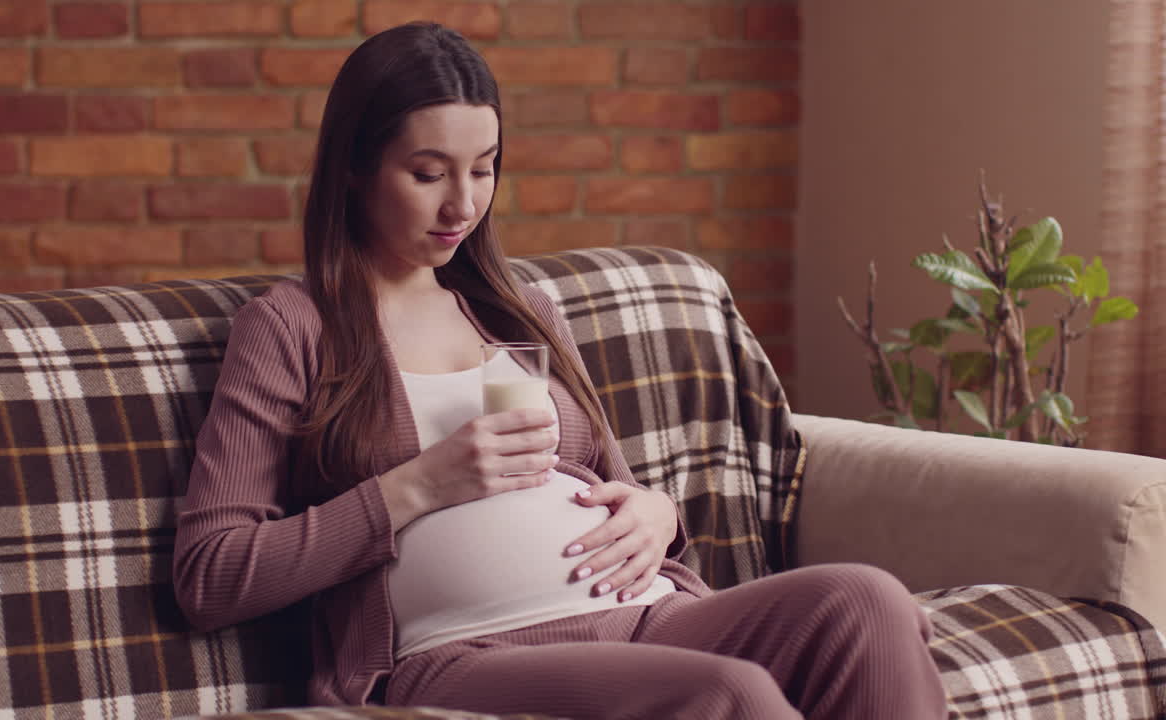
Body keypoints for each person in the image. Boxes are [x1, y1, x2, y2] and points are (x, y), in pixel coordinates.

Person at [172, 22, 948, 720]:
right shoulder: (293, 326)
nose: (463, 205)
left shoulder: (521, 308)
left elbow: (612, 481)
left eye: (485, 169)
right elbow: (212, 575)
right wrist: (418, 485)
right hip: (463, 658)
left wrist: (658, 514)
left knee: (865, 600)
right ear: (354, 169)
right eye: (428, 173)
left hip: (647, 614)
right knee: (725, 695)